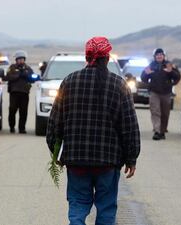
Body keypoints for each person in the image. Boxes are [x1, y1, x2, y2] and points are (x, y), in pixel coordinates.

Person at [46, 37, 140, 225]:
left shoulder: (69, 82)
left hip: (77, 160)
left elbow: (55, 123)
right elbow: (129, 126)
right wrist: (131, 157)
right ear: (107, 58)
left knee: (78, 206)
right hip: (108, 162)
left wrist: (55, 151)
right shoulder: (119, 85)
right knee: (106, 208)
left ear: (87, 56)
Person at [141, 48, 181, 140]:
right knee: (155, 111)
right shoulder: (150, 66)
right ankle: (157, 131)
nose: (159, 56)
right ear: (154, 56)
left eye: (161, 54)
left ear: (164, 56)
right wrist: (147, 75)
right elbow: (143, 77)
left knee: (165, 113)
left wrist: (171, 74)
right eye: (157, 55)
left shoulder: (169, 65)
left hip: (166, 93)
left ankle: (162, 131)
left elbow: (177, 76)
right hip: (154, 92)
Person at [2, 50, 34, 133]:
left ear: (24, 59)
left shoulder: (28, 68)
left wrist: (27, 75)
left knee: (23, 111)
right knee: (12, 110)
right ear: (16, 60)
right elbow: (7, 77)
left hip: (24, 93)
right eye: (19, 59)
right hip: (14, 93)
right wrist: (18, 75)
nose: (21, 60)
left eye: (22, 59)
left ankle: (22, 128)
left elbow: (33, 78)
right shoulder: (12, 68)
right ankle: (12, 127)